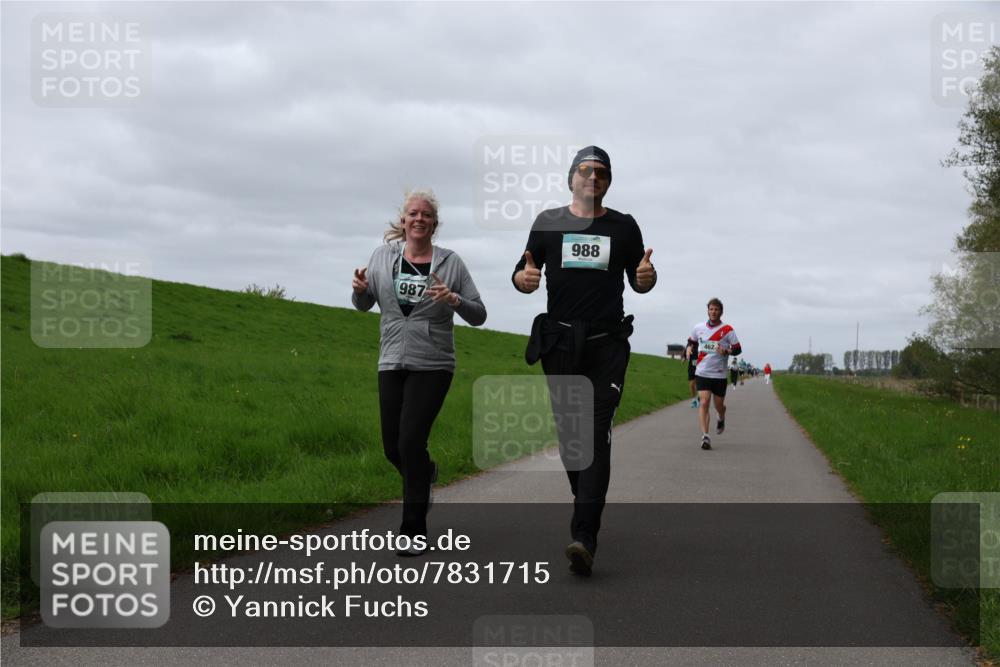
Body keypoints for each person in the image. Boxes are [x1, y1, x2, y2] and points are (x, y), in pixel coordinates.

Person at [512, 145, 656, 577]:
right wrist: (523, 279)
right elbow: (523, 273)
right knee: (571, 438)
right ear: (571, 177)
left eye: (601, 173)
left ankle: (584, 536)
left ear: (608, 181)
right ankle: (586, 505)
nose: (593, 177)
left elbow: (641, 277)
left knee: (593, 434)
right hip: (560, 343)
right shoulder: (548, 223)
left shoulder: (624, 227)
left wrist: (647, 279)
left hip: (606, 344)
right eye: (586, 170)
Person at [352, 189, 487, 556]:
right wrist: (361, 291)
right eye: (413, 213)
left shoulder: (451, 264)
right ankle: (424, 475)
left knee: (411, 441)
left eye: (426, 214)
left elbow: (479, 313)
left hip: (434, 362)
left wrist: (454, 300)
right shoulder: (383, 257)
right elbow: (365, 305)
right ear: (404, 220)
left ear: (434, 223)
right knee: (392, 447)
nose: (419, 219)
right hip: (391, 359)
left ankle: (413, 530)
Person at [687, 298, 741, 450]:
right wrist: (689, 348)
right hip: (702, 372)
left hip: (719, 374)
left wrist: (727, 351)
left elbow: (737, 349)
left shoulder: (728, 330)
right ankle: (705, 436)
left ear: (721, 312)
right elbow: (691, 341)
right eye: (711, 309)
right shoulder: (698, 328)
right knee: (704, 402)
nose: (713, 312)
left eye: (716, 309)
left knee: (719, 406)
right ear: (708, 310)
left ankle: (721, 417)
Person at [685, 341, 700, 408]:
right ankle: (694, 399)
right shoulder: (691, 342)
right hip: (692, 366)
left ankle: (699, 397)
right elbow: (687, 348)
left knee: (698, 383)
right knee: (691, 384)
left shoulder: (704, 341)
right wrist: (685, 356)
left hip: (701, 366)